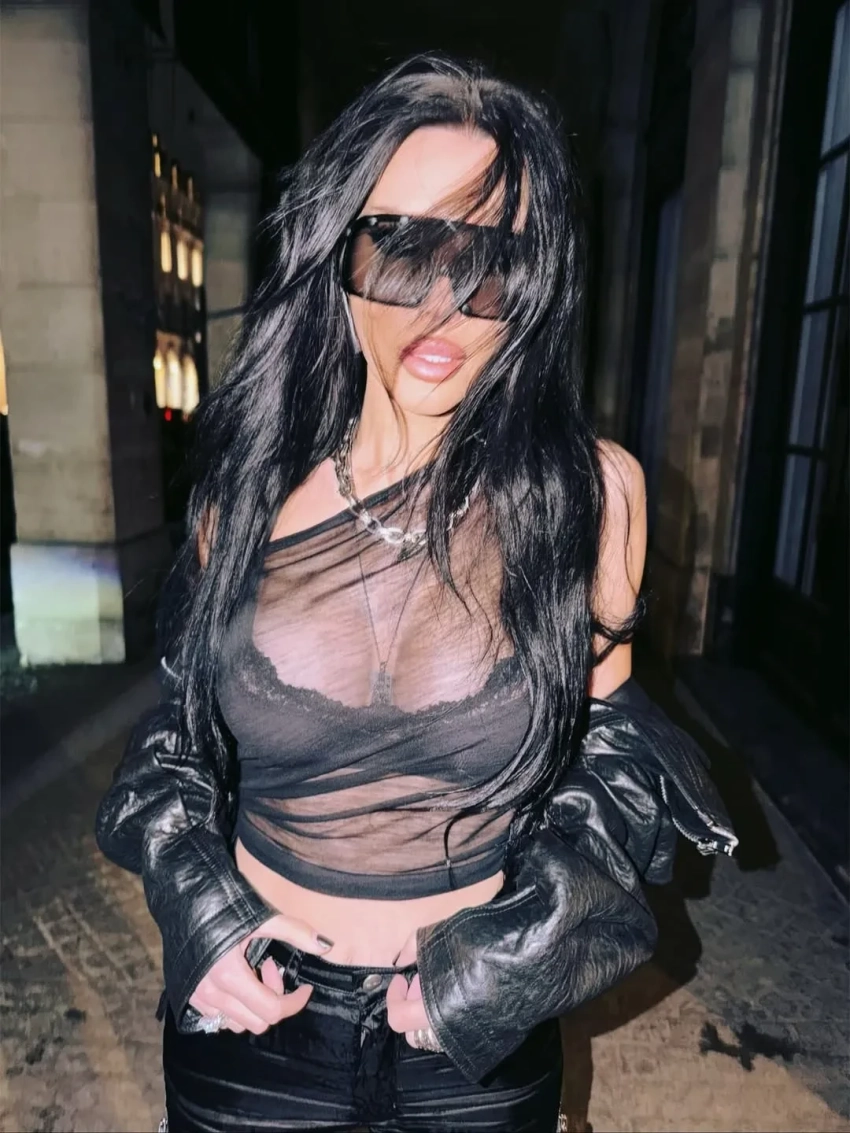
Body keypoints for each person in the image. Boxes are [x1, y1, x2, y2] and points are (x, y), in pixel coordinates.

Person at [96, 52, 737, 1133]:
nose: (444, 303)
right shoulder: (245, 497)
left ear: (535, 284)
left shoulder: (588, 498)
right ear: (338, 258)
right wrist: (198, 913)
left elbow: (618, 762)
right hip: (253, 1022)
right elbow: (176, 740)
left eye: (489, 262)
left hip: (472, 1031)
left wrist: (503, 965)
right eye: (401, 247)